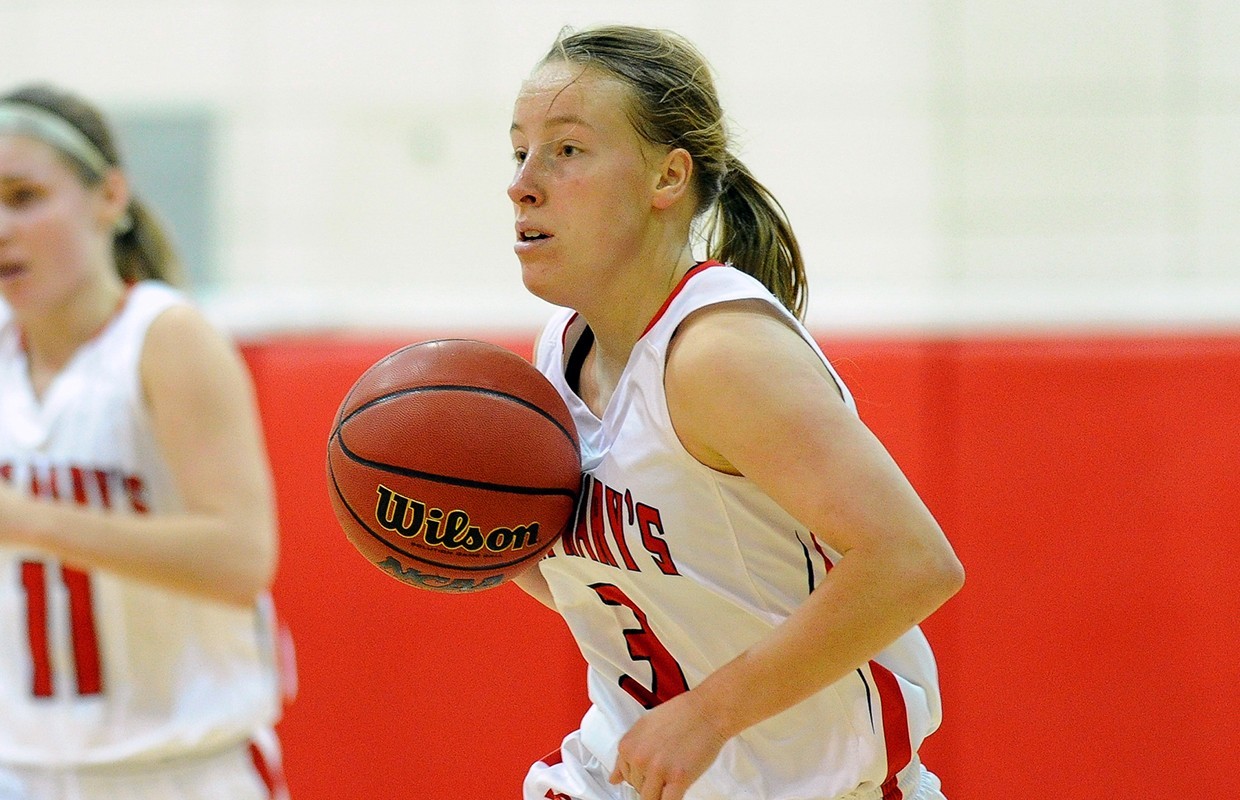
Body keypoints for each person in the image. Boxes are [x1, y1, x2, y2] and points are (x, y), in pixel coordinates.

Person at [507, 25, 965, 800]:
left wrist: (709, 716)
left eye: (567, 151)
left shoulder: (718, 354)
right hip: (620, 773)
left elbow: (913, 564)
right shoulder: (560, 350)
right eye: (517, 151)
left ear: (667, 177)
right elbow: (631, 587)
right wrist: (482, 545)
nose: (523, 182)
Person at [0, 84, 289, 799]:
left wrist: (27, 519)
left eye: (23, 196)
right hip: (24, 766)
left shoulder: (165, 338)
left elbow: (239, 558)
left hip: (182, 767)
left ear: (110, 197)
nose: (1, 226)